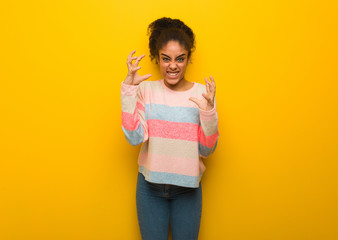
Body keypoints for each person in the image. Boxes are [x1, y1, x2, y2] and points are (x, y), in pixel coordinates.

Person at [120, 17, 219, 240]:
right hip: (150, 189)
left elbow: (207, 150)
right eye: (166, 59)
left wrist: (209, 112)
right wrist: (128, 91)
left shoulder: (202, 94)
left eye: (179, 59)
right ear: (157, 58)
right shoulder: (145, 89)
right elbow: (134, 138)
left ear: (188, 59)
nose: (172, 65)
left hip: (188, 190)